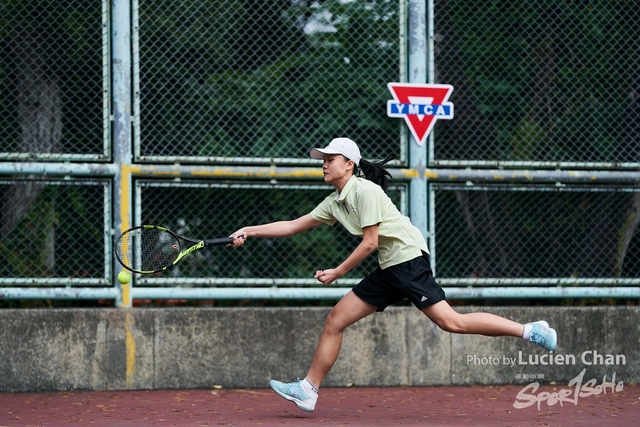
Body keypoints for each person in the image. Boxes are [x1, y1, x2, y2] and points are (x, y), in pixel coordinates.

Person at [229, 137, 557, 412]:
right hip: (389, 266)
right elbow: (292, 225)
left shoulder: (365, 192)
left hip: (407, 260)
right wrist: (250, 230)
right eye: (323, 159)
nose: (324, 163)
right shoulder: (335, 202)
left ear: (350, 164)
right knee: (336, 319)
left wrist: (338, 272)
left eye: (331, 158)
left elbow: (369, 242)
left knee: (451, 322)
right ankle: (308, 390)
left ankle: (531, 331)